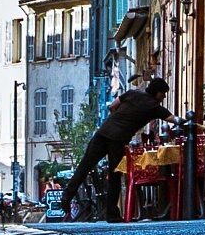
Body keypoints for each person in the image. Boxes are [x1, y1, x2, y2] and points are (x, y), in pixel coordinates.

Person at [54, 76, 169, 217]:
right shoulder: (154, 107)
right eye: (163, 94)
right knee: (114, 174)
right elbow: (174, 119)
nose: (163, 97)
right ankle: (112, 213)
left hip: (104, 132)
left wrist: (120, 119)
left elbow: (112, 106)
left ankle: (67, 195)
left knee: (85, 165)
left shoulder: (132, 94)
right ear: (158, 92)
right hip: (119, 139)